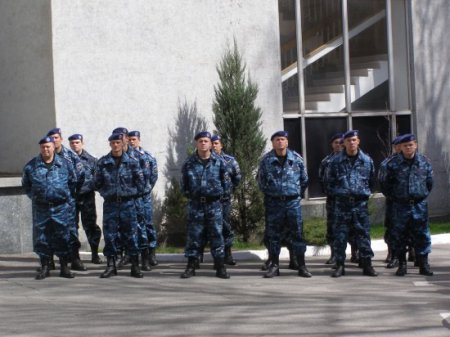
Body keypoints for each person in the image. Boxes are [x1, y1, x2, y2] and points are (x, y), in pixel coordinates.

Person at [257, 130, 311, 278]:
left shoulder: (297, 159)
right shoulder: (266, 161)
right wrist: (273, 194)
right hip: (274, 204)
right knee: (273, 236)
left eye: (282, 139)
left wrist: (294, 194)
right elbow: (261, 182)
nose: (280, 142)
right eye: (277, 140)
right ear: (273, 143)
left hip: (292, 203)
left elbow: (304, 180)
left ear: (287, 142)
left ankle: (302, 265)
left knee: (298, 235)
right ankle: (274, 266)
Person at [22, 136, 77, 280]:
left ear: (53, 147)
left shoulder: (65, 164)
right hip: (41, 208)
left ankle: (64, 267)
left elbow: (73, 182)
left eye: (48, 146)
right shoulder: (31, 166)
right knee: (42, 237)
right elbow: (26, 185)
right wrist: (36, 197)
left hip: (60, 207)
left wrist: (65, 197)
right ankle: (45, 266)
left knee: (63, 236)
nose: (46, 149)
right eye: (43, 147)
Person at [325, 130, 377, 278]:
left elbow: (371, 182)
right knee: (340, 236)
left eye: (354, 140)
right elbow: (329, 183)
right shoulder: (335, 162)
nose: (352, 143)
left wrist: (361, 194)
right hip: (342, 205)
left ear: (358, 141)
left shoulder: (367, 161)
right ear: (344, 143)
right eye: (348, 141)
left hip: (360, 204)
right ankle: (340, 265)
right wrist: (341, 193)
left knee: (363, 235)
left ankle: (367, 265)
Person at [379, 133, 433, 276]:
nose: (408, 147)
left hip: (419, 205)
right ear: (400, 147)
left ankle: (424, 264)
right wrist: (396, 197)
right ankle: (402, 264)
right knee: (399, 235)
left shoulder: (424, 162)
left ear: (415, 145)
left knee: (422, 235)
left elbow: (429, 183)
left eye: (411, 145)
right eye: (405, 145)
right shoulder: (392, 164)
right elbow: (384, 184)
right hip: (400, 205)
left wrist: (420, 195)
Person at [180, 131, 231, 279]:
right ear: (196, 143)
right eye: (200, 141)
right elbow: (184, 186)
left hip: (214, 205)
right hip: (196, 205)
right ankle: (191, 266)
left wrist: (220, 198)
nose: (203, 143)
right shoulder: (189, 163)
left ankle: (220, 267)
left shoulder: (219, 162)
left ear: (210, 143)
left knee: (217, 235)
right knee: (194, 236)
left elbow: (226, 184)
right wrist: (193, 197)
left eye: (206, 141)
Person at [95, 133, 145, 278]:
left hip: (128, 204)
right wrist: (107, 192)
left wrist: (128, 192)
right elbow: (97, 183)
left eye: (118, 142)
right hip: (110, 204)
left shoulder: (132, 161)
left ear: (123, 143)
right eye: (113, 143)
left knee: (131, 234)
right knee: (110, 236)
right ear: (109, 144)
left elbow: (141, 183)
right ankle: (111, 266)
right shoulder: (103, 162)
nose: (116, 145)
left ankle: (135, 266)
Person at [47, 128, 86, 271]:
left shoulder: (70, 156)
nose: (54, 140)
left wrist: (72, 192)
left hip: (67, 201)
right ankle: (49, 261)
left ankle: (75, 259)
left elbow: (81, 175)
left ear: (61, 139)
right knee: (50, 230)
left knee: (71, 230)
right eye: (51, 138)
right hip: (50, 202)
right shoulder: (45, 156)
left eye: (56, 137)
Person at [68, 134, 103, 264]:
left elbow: (98, 178)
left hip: (87, 196)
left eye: (77, 142)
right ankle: (74, 256)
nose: (74, 145)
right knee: (72, 226)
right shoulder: (66, 160)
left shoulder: (91, 160)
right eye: (72, 143)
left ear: (82, 143)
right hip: (71, 197)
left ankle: (95, 253)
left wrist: (91, 187)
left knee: (91, 225)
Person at [128, 130, 159, 269]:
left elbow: (153, 176)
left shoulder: (147, 157)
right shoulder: (125, 157)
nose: (131, 141)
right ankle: (130, 254)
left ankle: (151, 253)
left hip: (144, 197)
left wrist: (145, 189)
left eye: (134, 139)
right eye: (129, 139)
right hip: (130, 198)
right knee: (130, 226)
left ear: (139, 140)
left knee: (147, 225)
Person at [211, 135, 241, 265]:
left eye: (216, 143)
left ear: (221, 145)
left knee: (226, 227)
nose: (214, 145)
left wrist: (228, 190)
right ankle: (215, 257)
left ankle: (228, 254)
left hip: (224, 201)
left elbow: (237, 178)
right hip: (210, 202)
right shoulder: (205, 160)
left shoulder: (230, 161)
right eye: (212, 143)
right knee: (211, 229)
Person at [318, 133, 344, 265]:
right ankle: (334, 254)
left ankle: (357, 253)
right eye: (336, 142)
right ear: (332, 145)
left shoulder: (352, 159)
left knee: (355, 228)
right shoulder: (326, 161)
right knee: (333, 228)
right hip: (333, 201)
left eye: (341, 142)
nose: (339, 145)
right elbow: (321, 179)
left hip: (350, 201)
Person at [378, 135, 402, 269]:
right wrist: (393, 196)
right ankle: (392, 254)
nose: (400, 147)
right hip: (394, 202)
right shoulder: (387, 163)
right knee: (392, 229)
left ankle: (414, 254)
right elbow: (382, 182)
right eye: (398, 145)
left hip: (412, 203)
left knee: (413, 230)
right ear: (394, 147)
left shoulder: (419, 161)